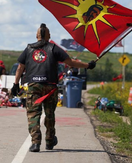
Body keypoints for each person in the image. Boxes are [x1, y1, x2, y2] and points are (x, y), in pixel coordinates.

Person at [11, 23, 96, 152]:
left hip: (34, 86)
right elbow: (71, 63)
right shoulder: (54, 48)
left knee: (33, 114)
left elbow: (20, 68)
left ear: (37, 35)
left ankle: (35, 143)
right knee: (50, 114)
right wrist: (88, 66)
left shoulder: (28, 49)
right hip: (50, 87)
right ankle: (49, 141)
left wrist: (15, 85)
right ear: (48, 35)